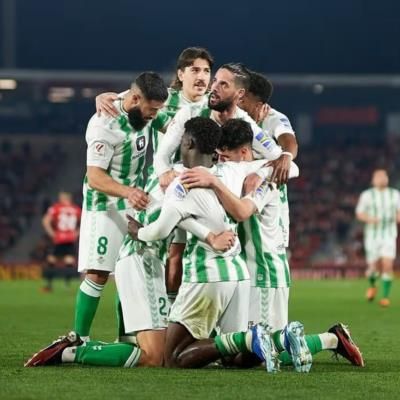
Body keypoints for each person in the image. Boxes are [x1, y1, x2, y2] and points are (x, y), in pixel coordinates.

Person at [180, 119, 364, 369]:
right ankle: (332, 338)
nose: (221, 161)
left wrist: (220, 182)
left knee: (265, 350)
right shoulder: (252, 170)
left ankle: (330, 339)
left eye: (226, 156)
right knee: (245, 350)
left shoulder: (268, 177)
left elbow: (243, 211)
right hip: (248, 271)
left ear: (244, 152)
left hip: (265, 271)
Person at [95, 47, 214, 305]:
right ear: (181, 74)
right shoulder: (163, 98)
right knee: (145, 255)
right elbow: (125, 98)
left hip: (199, 188)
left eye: (206, 71)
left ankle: (177, 319)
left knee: (184, 256)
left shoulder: (212, 105)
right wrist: (102, 97)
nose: (202, 76)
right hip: (160, 186)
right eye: (195, 70)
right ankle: (130, 329)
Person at [74, 72, 169, 342]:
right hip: (104, 205)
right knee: (99, 272)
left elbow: (171, 124)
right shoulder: (104, 124)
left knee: (130, 269)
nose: (154, 115)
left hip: (133, 201)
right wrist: (128, 192)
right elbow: (95, 177)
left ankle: (125, 338)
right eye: (152, 110)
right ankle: (79, 338)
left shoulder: (143, 110)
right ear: (136, 98)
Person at [239, 70, 298, 247]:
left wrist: (286, 156)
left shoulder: (274, 118)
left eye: (244, 97)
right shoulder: (233, 116)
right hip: (238, 194)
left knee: (268, 252)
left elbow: (289, 140)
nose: (239, 99)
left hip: (265, 199)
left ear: (258, 103)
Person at [356, 168, 400, 307]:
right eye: (378, 177)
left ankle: (385, 297)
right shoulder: (367, 195)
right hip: (372, 236)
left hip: (389, 234)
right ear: (373, 180)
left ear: (387, 178)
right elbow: (360, 213)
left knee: (387, 264)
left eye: (384, 176)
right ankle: (373, 285)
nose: (381, 179)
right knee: (373, 267)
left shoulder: (395, 194)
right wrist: (370, 219)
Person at [41, 191, 81, 292]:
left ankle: (48, 285)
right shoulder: (76, 209)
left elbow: (45, 221)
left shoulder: (56, 208)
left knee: (51, 260)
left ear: (63, 198)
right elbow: (85, 222)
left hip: (59, 238)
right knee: (69, 260)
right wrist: (77, 233)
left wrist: (52, 233)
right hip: (70, 239)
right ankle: (67, 285)